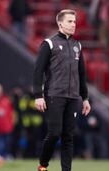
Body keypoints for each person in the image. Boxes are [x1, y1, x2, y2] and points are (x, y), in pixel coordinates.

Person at [33, 9, 91, 171]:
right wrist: (38, 95)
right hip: (54, 95)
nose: (73, 25)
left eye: (74, 22)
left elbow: (82, 74)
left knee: (68, 137)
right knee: (54, 133)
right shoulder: (49, 43)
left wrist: (85, 98)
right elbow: (38, 71)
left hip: (73, 97)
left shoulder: (77, 45)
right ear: (60, 23)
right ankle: (43, 165)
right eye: (69, 21)